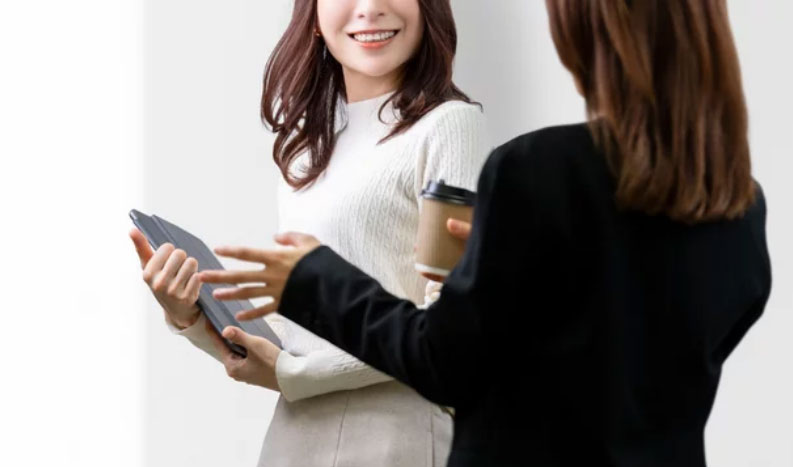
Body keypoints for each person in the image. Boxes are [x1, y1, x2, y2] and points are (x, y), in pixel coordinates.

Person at [197, 0, 772, 465]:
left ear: (585, 31)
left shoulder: (538, 170)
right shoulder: (740, 206)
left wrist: (316, 280)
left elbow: (448, 360)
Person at [129, 0, 490, 465]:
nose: (370, 9)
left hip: (396, 437)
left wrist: (293, 374)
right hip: (294, 436)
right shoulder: (307, 147)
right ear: (314, 16)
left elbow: (449, 326)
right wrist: (193, 316)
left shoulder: (449, 126)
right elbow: (299, 336)